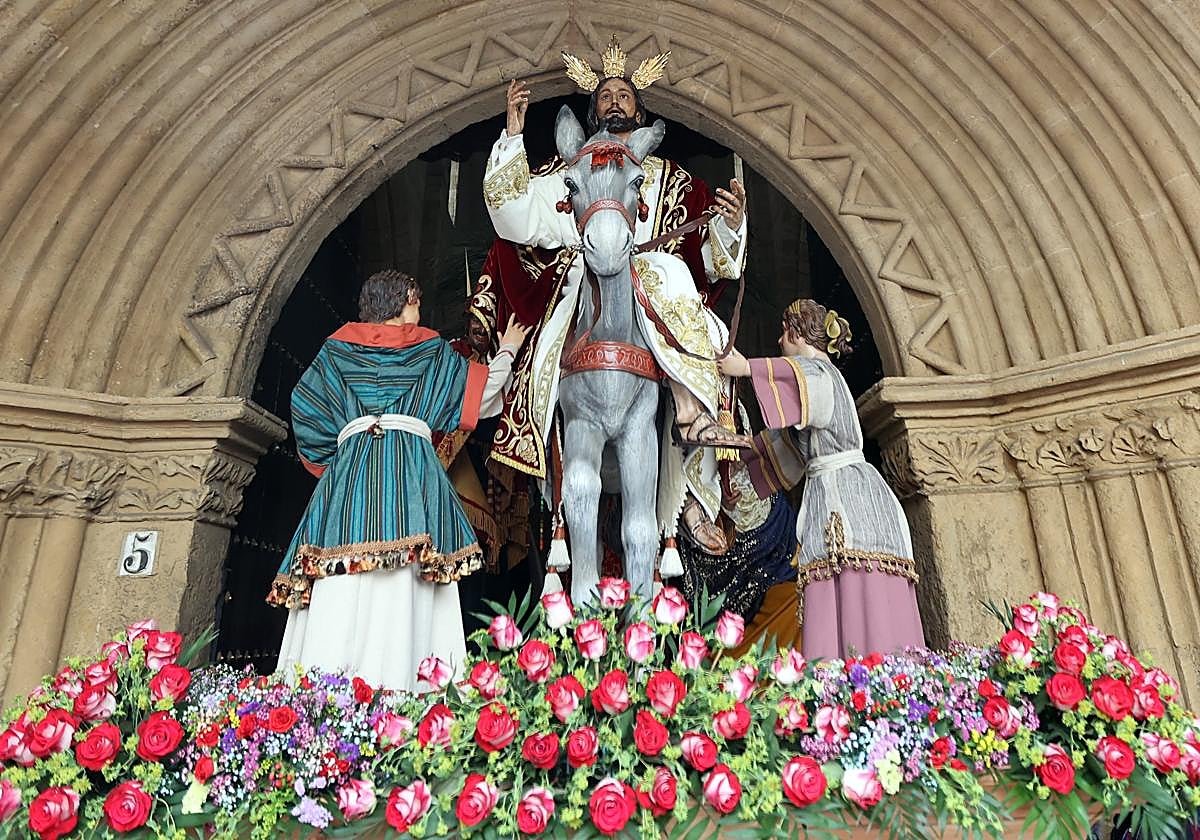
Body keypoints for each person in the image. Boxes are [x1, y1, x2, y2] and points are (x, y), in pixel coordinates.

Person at [481, 36, 751, 552]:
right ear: (590, 113)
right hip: (584, 284)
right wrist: (514, 138)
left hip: (657, 299)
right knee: (539, 364)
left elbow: (713, 259)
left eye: (624, 95)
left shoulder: (672, 179)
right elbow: (514, 216)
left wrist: (730, 227)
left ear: (641, 111)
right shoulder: (565, 173)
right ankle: (546, 457)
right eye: (604, 96)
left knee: (679, 289)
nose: (614, 101)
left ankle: (695, 477)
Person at [269, 270, 530, 690]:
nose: (420, 310)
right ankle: (408, 690)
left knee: (338, 583)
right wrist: (509, 351)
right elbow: (480, 401)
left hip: (348, 484)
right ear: (404, 300)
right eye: (417, 301)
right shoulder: (427, 349)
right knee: (410, 583)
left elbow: (307, 412)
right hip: (412, 481)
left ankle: (321, 702)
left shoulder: (334, 354)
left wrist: (347, 452)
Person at [718, 298, 925, 660]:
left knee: (856, 583)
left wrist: (744, 368)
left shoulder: (820, 372)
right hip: (832, 492)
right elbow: (785, 449)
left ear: (795, 333)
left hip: (847, 500)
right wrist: (734, 458)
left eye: (783, 334)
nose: (780, 343)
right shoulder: (819, 390)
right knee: (838, 584)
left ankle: (869, 676)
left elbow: (797, 377)